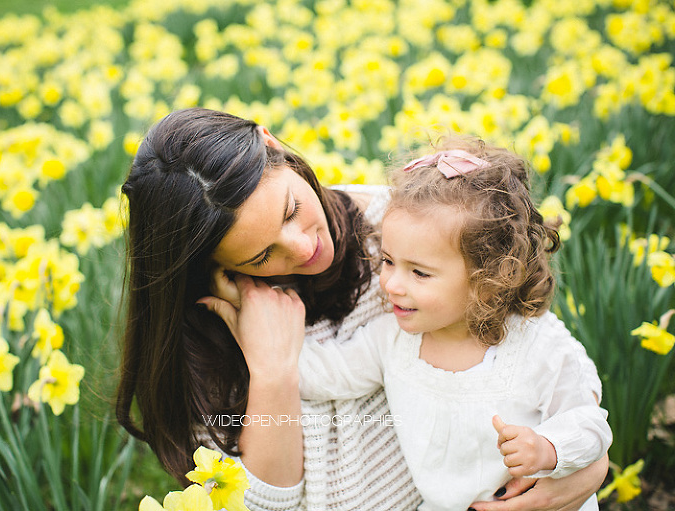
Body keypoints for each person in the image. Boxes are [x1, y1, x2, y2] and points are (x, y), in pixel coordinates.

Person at [116, 107, 609, 511]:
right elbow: (265, 506)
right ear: (210, 266)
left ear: (274, 145)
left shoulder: (408, 229)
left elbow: (535, 356)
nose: (304, 245)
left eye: (291, 210)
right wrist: (270, 373)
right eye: (262, 255)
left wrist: (584, 469)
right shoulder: (213, 330)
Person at [296, 140, 612, 510]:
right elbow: (324, 373)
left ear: (490, 277)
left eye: (419, 272)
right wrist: (255, 336)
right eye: (388, 261)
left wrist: (549, 449)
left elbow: (591, 426)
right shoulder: (393, 339)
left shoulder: (535, 344)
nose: (392, 284)